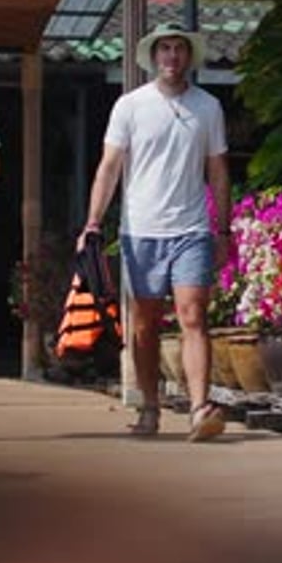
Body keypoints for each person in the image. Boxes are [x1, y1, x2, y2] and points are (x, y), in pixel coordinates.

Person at [78, 22, 231, 442]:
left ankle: (200, 408)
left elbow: (217, 170)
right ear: (153, 56)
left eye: (179, 49)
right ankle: (149, 407)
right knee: (144, 324)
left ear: (188, 56)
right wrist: (93, 222)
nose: (172, 56)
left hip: (193, 228)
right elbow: (109, 167)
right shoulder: (129, 106)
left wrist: (224, 229)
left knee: (192, 315)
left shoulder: (208, 107)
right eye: (164, 48)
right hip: (141, 230)